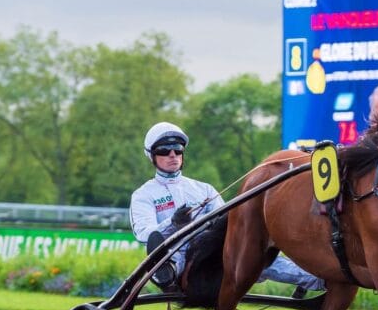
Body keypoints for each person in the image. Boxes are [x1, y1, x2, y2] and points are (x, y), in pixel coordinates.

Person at [130, 122, 324, 296]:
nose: (173, 155)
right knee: (175, 250)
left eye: (178, 149)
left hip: (212, 253)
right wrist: (172, 224)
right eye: (165, 150)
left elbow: (229, 223)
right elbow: (144, 234)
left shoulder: (204, 188)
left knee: (249, 254)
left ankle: (319, 280)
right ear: (152, 156)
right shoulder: (143, 194)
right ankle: (167, 273)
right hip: (178, 254)